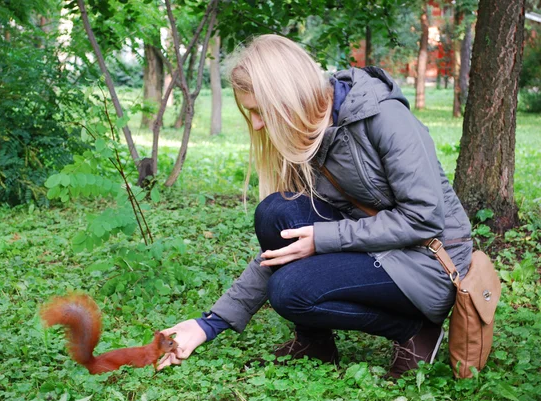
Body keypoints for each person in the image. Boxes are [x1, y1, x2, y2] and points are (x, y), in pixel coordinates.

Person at [157, 34, 473, 378]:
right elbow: (283, 249)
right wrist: (208, 324)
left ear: (288, 96)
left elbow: (423, 218)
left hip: (429, 260)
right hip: (377, 245)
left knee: (289, 291)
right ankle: (315, 343)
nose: (258, 124)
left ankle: (414, 331)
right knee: (275, 212)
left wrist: (324, 238)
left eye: (260, 111)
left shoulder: (384, 116)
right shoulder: (304, 133)